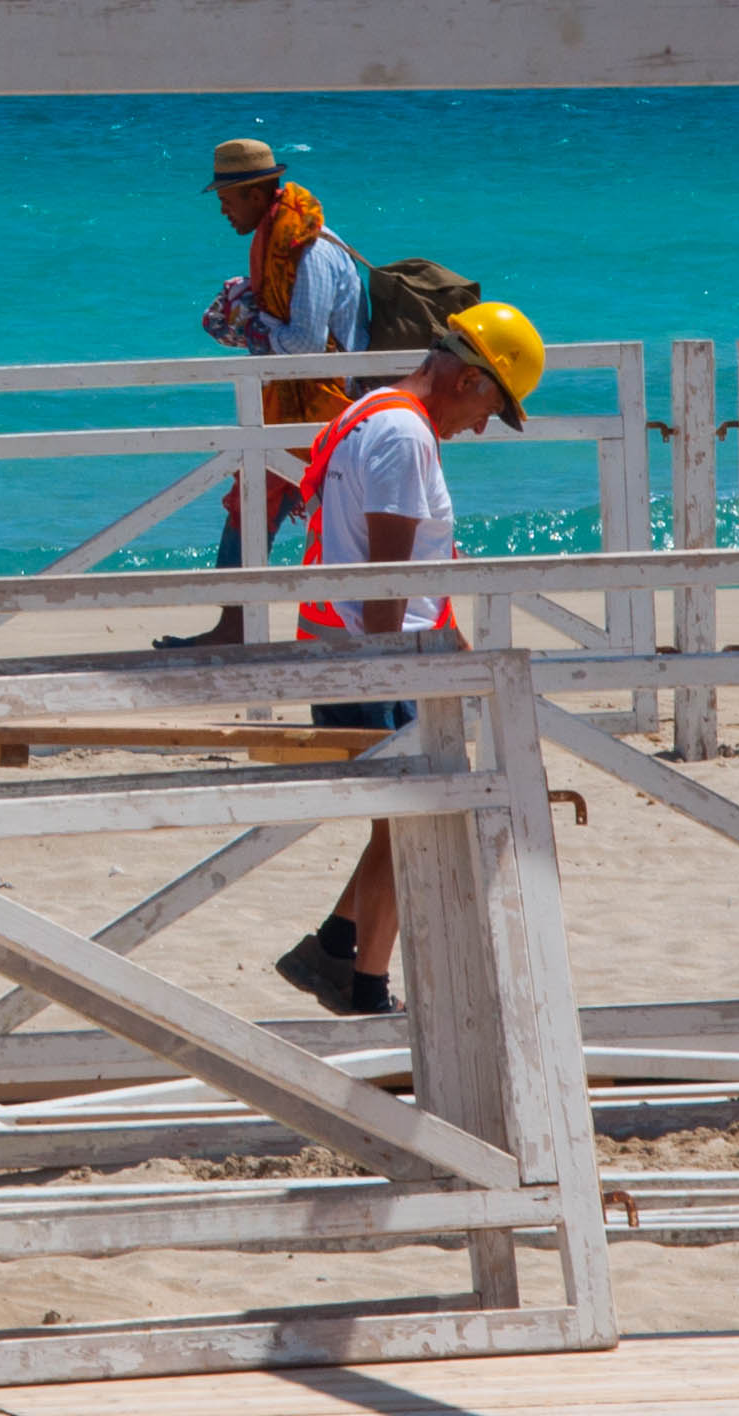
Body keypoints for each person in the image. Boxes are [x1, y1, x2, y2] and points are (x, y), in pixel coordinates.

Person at [271, 299, 546, 1017]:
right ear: (469, 382)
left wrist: (452, 650)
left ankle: (337, 954)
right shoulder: (402, 434)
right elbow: (385, 579)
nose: (481, 425)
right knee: (416, 816)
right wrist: (399, 665)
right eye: (493, 408)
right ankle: (358, 981)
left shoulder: (379, 415)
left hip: (352, 648)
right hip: (371, 655)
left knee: (401, 821)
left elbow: (399, 569)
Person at [164, 136, 370, 648]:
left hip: (329, 410)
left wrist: (248, 325)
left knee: (332, 523)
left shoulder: (309, 249)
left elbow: (303, 344)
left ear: (256, 194)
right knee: (247, 503)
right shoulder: (276, 243)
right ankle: (234, 627)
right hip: (293, 406)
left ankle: (349, 631)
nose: (223, 211)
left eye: (227, 200)